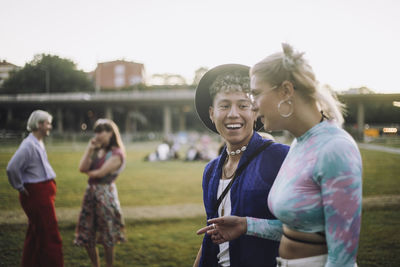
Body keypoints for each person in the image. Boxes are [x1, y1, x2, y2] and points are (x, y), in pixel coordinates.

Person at [197, 44, 362, 267]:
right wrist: (245, 225)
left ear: (285, 91)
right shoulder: (299, 145)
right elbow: (298, 227)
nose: (253, 106)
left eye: (254, 95)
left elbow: (342, 259)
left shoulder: (335, 148)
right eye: (225, 105)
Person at [193, 64, 289, 267]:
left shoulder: (280, 157)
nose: (233, 114)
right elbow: (211, 235)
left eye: (243, 105)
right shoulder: (210, 171)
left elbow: (304, 228)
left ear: (255, 112)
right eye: (224, 105)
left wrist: (248, 226)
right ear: (212, 113)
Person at [6, 110, 64, 267]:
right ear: (39, 125)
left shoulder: (37, 141)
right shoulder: (28, 145)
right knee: (50, 236)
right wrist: (19, 186)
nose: (50, 127)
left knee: (35, 234)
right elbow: (12, 168)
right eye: (48, 123)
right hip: (37, 195)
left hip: (43, 193)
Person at [74, 118, 126, 267]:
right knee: (87, 233)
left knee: (107, 235)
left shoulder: (117, 153)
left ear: (110, 133)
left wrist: (90, 172)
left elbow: (99, 174)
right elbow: (82, 168)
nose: (97, 135)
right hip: (91, 194)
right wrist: (89, 149)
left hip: (105, 194)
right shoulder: (96, 150)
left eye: (101, 131)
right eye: (96, 131)